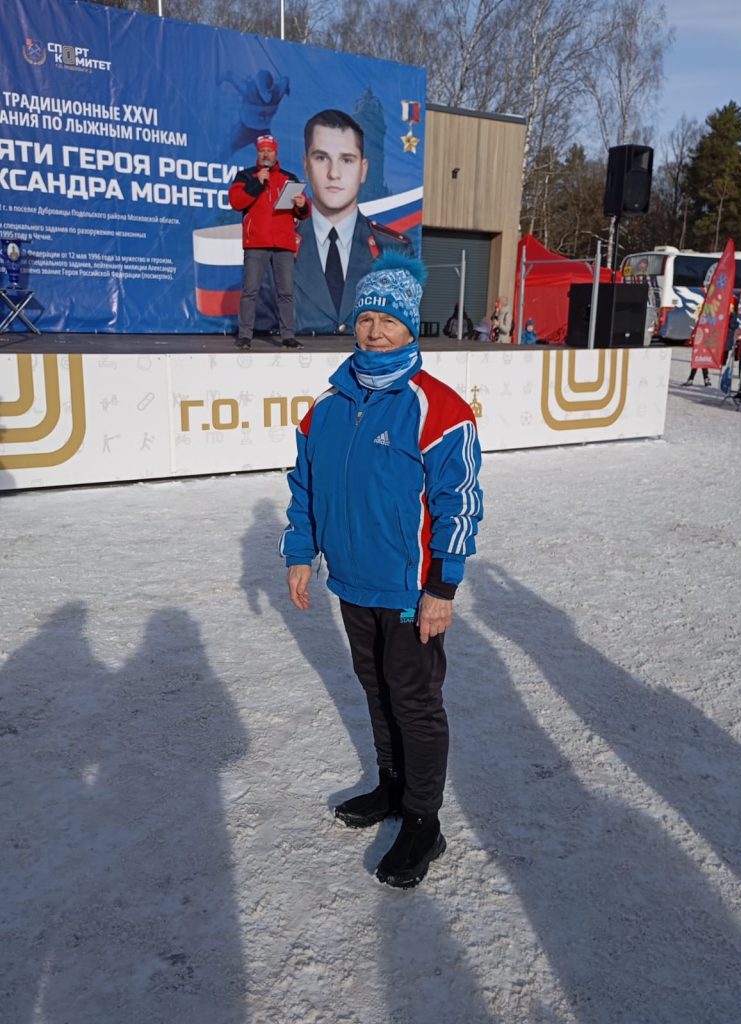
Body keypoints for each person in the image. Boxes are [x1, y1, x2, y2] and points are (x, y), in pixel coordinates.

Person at [280, 252, 483, 889]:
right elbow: (305, 484)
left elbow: (460, 503)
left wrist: (442, 586)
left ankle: (424, 820)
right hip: (351, 581)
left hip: (410, 589)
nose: (374, 331)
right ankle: (392, 788)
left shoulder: (437, 407)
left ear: (410, 326)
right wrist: (300, 552)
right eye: (366, 318)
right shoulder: (328, 404)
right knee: (376, 691)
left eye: (388, 320)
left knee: (415, 702)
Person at [294, 109, 412, 335]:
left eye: (347, 160)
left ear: (363, 170)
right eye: (321, 158)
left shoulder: (394, 250)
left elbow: (400, 331)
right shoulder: (278, 249)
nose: (334, 173)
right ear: (306, 166)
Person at [228, 134, 309, 350]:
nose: (266, 154)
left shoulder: (289, 177)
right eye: (262, 151)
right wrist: (257, 182)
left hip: (283, 243)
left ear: (276, 153)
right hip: (256, 243)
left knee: (286, 293)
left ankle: (288, 336)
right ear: (257, 153)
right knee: (250, 291)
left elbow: (303, 213)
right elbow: (236, 202)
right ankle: (245, 335)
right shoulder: (246, 176)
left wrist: (302, 204)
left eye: (269, 150)